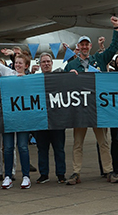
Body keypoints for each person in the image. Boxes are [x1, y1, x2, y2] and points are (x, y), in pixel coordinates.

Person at [64, 16, 118, 185]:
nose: (84, 47)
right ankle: (76, 173)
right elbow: (66, 86)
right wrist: (69, 77)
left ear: (90, 46)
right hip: (80, 109)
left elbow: (113, 48)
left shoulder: (100, 59)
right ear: (78, 47)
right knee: (77, 144)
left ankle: (109, 171)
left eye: (86, 44)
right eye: (81, 44)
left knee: (103, 142)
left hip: (97, 107)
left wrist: (116, 29)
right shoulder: (71, 66)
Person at [0, 31, 33, 189]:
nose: (18, 65)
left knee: (22, 146)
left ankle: (26, 176)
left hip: (23, 118)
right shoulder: (8, 73)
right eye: (16, 62)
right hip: (8, 117)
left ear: (26, 66)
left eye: (21, 63)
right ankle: (7, 176)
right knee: (7, 147)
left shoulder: (30, 79)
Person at [34, 52, 67, 183]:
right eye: (44, 62)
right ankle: (44, 174)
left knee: (59, 148)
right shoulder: (34, 80)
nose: (46, 64)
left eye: (48, 61)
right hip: (40, 119)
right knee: (42, 149)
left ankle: (61, 174)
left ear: (52, 63)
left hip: (57, 120)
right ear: (39, 64)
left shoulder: (59, 78)